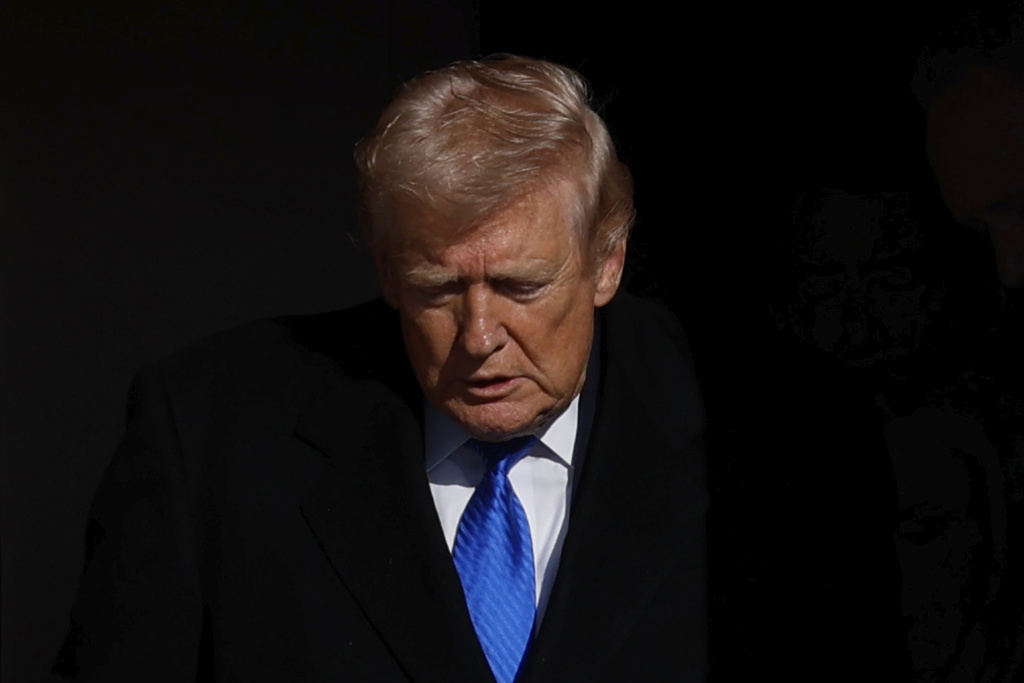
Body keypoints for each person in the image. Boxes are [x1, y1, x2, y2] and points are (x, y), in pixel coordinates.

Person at [51, 54, 708, 682]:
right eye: (437, 289)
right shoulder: (207, 435)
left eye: (521, 286)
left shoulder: (723, 425)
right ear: (387, 270)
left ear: (607, 263)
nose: (478, 337)